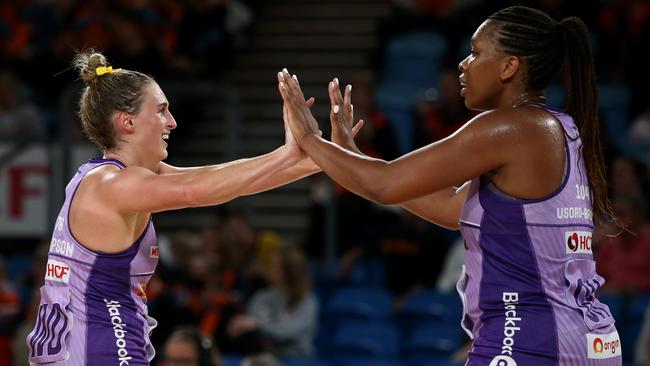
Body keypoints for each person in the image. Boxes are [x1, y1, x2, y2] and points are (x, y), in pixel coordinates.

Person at [278, 5, 622, 366]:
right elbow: (449, 209)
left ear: (509, 66)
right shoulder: (557, 128)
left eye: (475, 52)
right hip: (585, 339)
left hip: (530, 339)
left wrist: (308, 138)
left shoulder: (507, 127)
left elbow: (383, 184)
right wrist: (352, 155)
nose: (463, 63)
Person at [25, 51, 359, 365]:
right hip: (100, 345)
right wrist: (292, 152)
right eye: (160, 110)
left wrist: (324, 154)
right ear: (127, 122)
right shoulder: (113, 185)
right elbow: (194, 192)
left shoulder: (109, 177)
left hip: (77, 347)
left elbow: (227, 183)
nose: (171, 122)